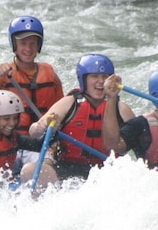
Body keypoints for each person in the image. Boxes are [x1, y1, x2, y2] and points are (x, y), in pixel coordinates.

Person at [26, 54, 135, 182]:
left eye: (105, 77)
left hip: (107, 171)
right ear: (83, 80)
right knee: (29, 171)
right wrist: (42, 125)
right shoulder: (69, 103)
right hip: (68, 167)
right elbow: (33, 132)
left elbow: (139, 142)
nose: (100, 81)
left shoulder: (121, 109)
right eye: (94, 76)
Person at [0, 15, 64, 137]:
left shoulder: (50, 74)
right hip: (14, 139)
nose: (28, 49)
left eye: (32, 44)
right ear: (14, 45)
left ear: (38, 45)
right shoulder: (3, 72)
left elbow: (61, 108)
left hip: (43, 138)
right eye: (23, 43)